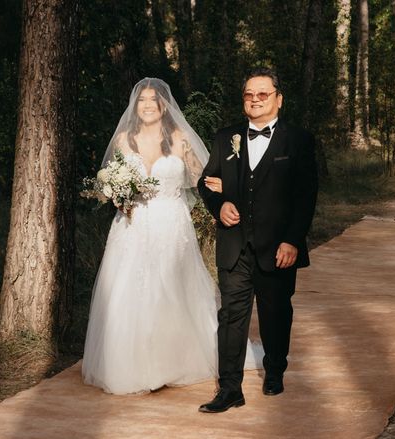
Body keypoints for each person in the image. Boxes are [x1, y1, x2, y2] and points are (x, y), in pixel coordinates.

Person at [82, 78, 261, 395]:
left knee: (172, 289)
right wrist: (117, 194)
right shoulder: (124, 139)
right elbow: (109, 182)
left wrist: (236, 196)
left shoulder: (180, 139)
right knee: (128, 292)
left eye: (154, 99)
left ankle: (174, 361)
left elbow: (204, 180)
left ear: (165, 105)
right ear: (135, 106)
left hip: (170, 223)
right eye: (142, 100)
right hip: (131, 227)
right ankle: (130, 365)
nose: (148, 104)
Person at [197, 67, 318, 413]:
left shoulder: (298, 140)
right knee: (231, 316)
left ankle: (275, 370)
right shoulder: (226, 138)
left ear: (278, 99)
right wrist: (219, 207)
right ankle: (229, 388)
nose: (255, 99)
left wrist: (293, 240)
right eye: (249, 94)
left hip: (278, 247)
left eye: (262, 94)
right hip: (234, 246)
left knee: (275, 313)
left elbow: (305, 196)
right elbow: (207, 182)